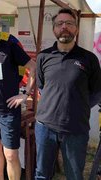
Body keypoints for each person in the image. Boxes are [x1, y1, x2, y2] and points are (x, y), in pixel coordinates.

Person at [35, 8, 101, 180]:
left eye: (69, 23)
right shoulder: (43, 56)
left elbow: (97, 92)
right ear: (54, 29)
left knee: (74, 176)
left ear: (76, 29)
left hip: (76, 129)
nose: (64, 27)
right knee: (42, 174)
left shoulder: (89, 59)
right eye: (60, 23)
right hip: (45, 126)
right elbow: (42, 86)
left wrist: (78, 106)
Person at [0, 18, 36, 180]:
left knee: (10, 154)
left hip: (8, 111)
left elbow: (32, 67)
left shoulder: (10, 47)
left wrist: (24, 93)